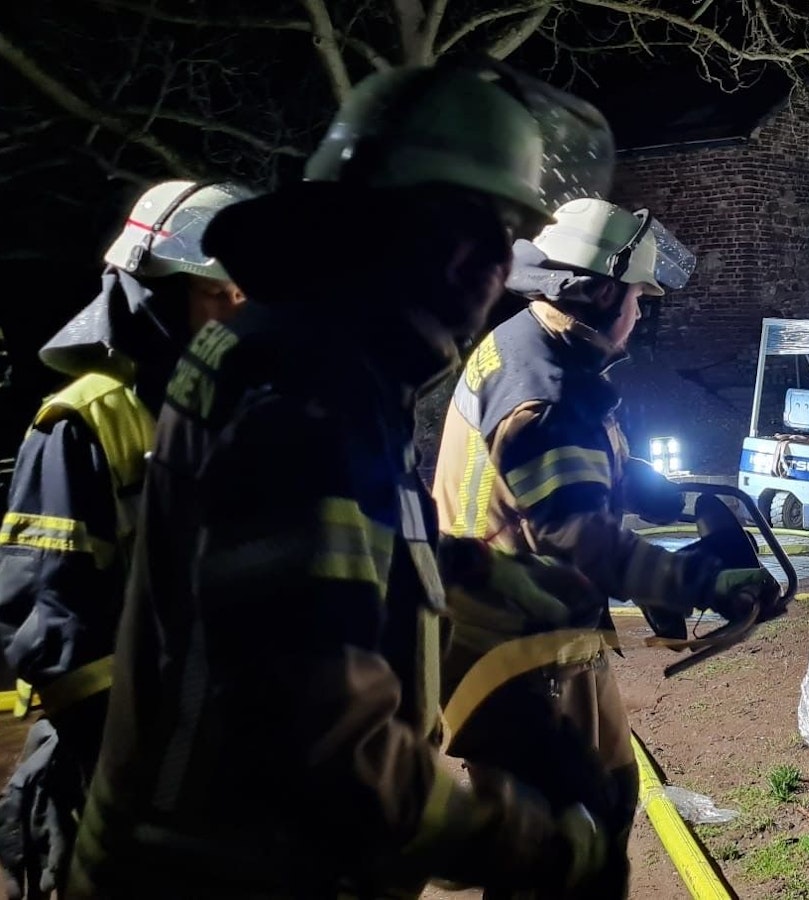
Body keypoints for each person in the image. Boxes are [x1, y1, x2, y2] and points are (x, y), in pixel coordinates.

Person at [66, 60, 619, 899]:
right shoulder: (306, 389)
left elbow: (348, 550)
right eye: (482, 230)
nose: (496, 267)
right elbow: (323, 740)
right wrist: (535, 838)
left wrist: (491, 575)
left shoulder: (324, 357)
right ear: (401, 226)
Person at [430, 198, 781, 897]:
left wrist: (652, 490)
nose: (641, 313)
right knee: (560, 847)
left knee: (607, 798)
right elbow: (581, 540)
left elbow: (563, 478)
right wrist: (704, 582)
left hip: (527, 635)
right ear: (597, 293)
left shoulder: (529, 343)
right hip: (515, 656)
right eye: (637, 297)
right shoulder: (547, 396)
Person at [0, 179, 256, 899]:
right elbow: (54, 632)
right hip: (122, 785)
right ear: (153, 293)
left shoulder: (240, 412)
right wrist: (151, 769)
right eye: (215, 294)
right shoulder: (85, 422)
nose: (236, 314)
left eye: (245, 296)